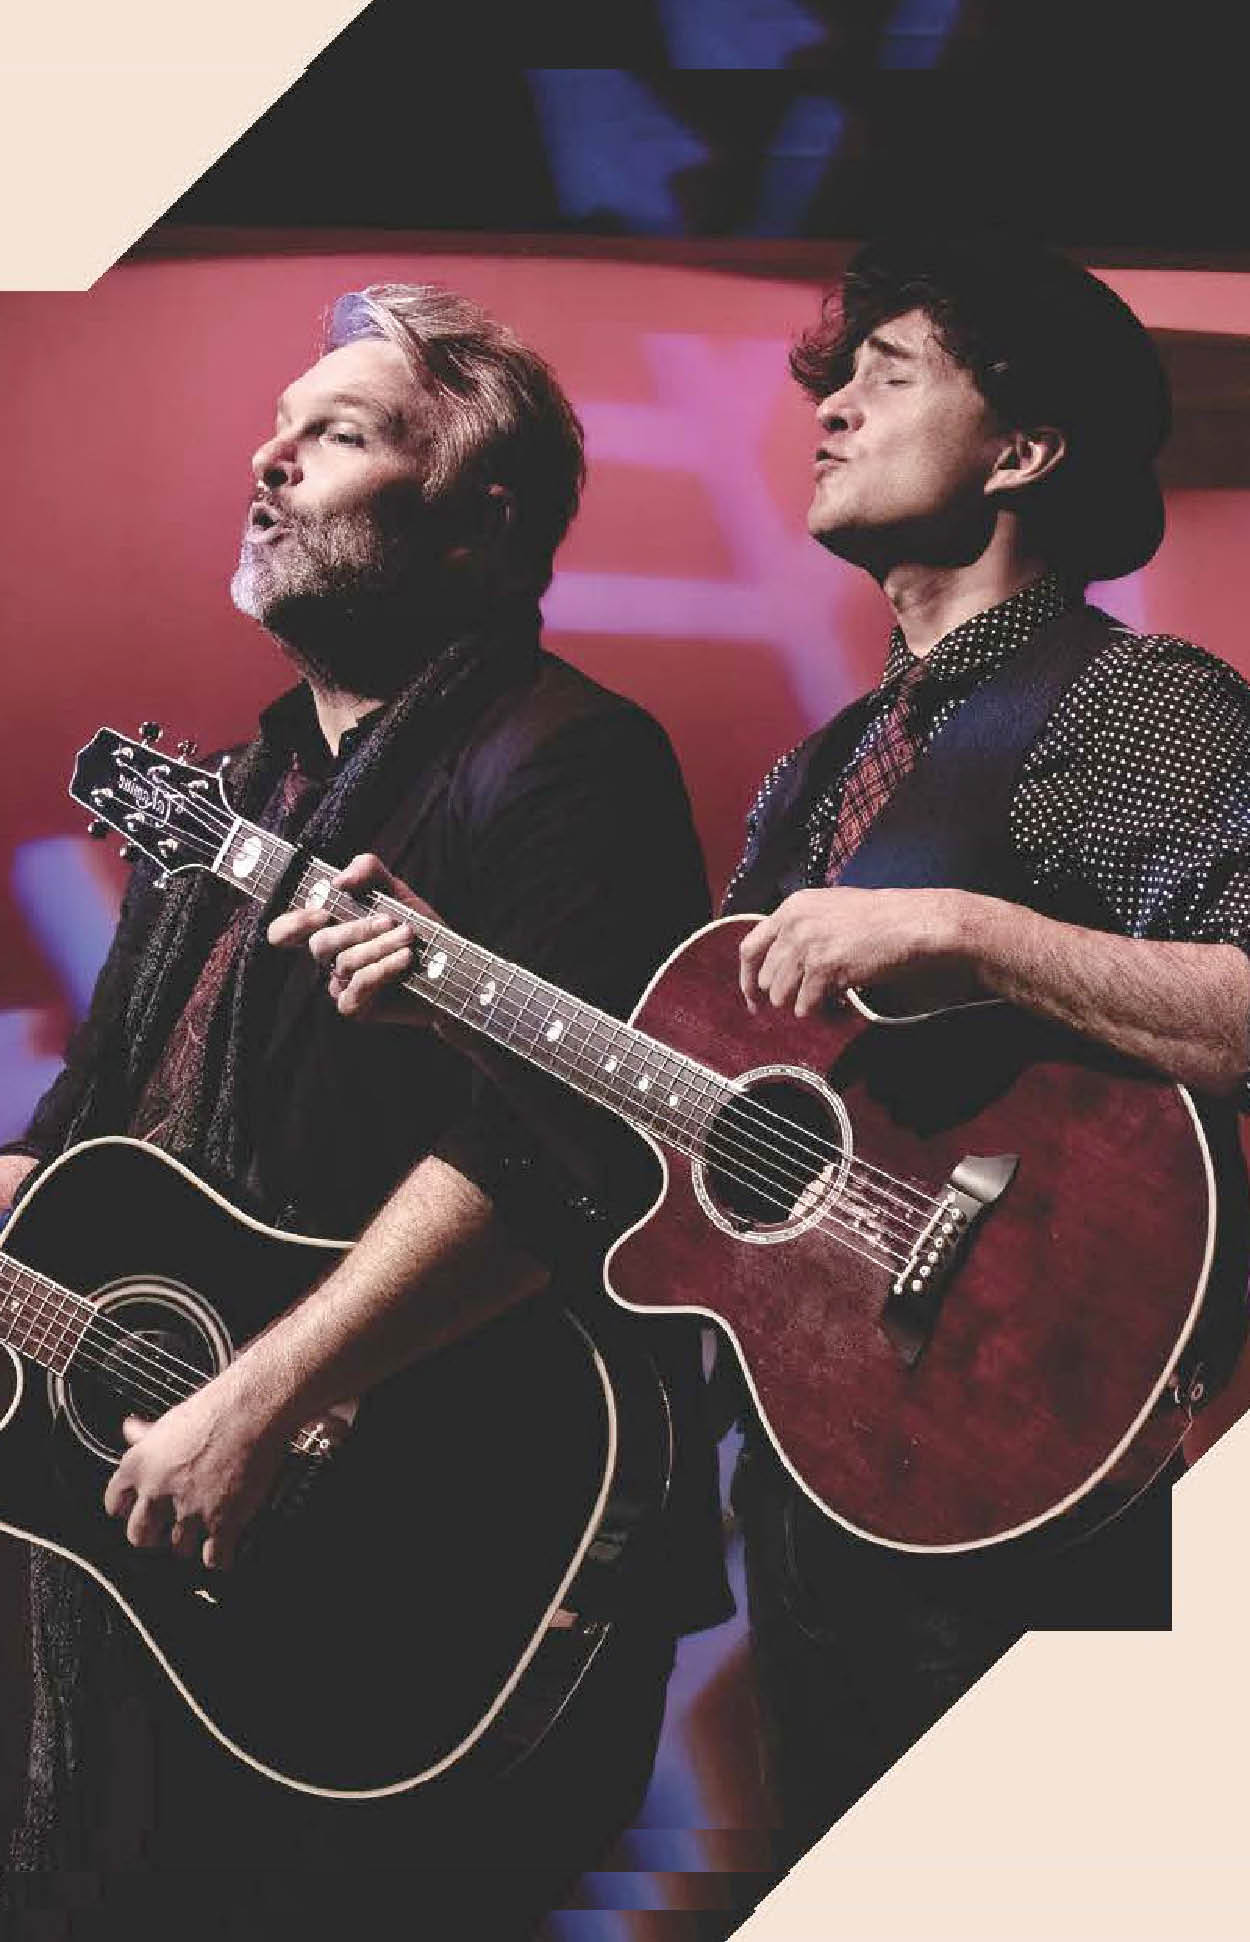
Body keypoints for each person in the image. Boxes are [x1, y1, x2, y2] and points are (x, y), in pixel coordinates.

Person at [290, 237, 1250, 1874]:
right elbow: (704, 1124)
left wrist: (967, 928)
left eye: (890, 374)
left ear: (1022, 449)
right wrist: (455, 993)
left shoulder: (1132, 703)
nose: (829, 410)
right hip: (828, 1504)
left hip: (1054, 1479)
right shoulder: (818, 771)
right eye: (836, 378)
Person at [0, 283, 728, 1934]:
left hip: (424, 1552)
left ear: (481, 520)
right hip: (173, 1577)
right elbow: (96, 1119)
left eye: (334, 434)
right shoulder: (227, 792)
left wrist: (262, 1399)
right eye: (276, 429)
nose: (267, 462)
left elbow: (583, 1149)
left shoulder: (568, 760)